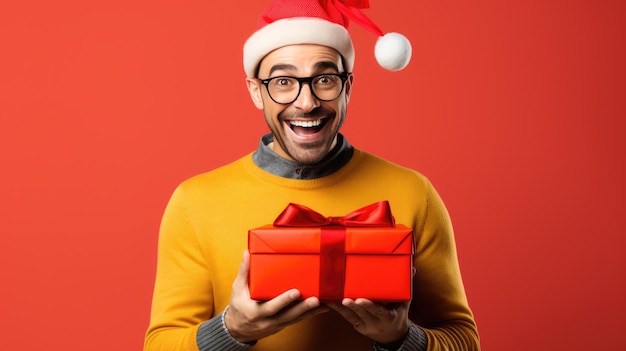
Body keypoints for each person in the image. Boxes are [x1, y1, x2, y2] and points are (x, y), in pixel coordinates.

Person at [144, 0, 480, 350]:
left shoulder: (414, 192)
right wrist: (232, 330)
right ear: (256, 91)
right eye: (284, 81)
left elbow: (463, 340)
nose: (306, 102)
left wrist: (399, 337)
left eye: (324, 78)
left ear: (347, 87)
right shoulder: (194, 202)